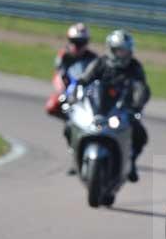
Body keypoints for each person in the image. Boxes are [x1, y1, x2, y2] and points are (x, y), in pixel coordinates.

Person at [75, 29, 151, 183]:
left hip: (122, 111)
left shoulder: (134, 67)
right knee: (71, 122)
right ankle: (74, 152)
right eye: (119, 50)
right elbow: (84, 80)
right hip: (98, 108)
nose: (122, 54)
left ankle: (131, 161)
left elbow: (141, 88)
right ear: (111, 49)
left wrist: (136, 106)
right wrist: (74, 95)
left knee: (140, 134)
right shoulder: (100, 63)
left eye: (125, 51)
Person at [45, 23, 98, 119]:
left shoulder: (93, 58)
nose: (77, 46)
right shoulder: (64, 56)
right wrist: (63, 92)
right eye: (74, 42)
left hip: (88, 91)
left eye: (81, 43)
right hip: (70, 90)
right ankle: (70, 121)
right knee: (52, 105)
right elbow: (58, 76)